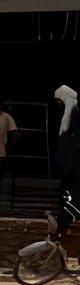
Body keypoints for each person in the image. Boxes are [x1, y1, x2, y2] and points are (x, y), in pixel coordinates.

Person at [54, 85, 79, 234]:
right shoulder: (71, 112)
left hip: (72, 163)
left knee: (71, 194)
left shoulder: (73, 113)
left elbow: (66, 137)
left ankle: (66, 223)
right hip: (70, 162)